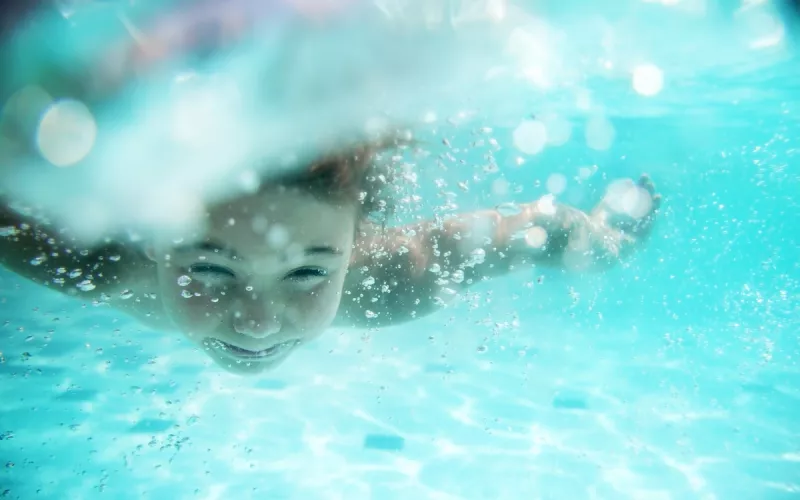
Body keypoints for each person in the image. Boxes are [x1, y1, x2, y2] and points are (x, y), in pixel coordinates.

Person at [0, 136, 661, 375]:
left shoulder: (391, 279)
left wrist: (607, 236)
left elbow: (536, 230)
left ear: (357, 243)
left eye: (310, 269)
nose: (257, 322)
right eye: (210, 268)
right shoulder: (93, 259)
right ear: (149, 233)